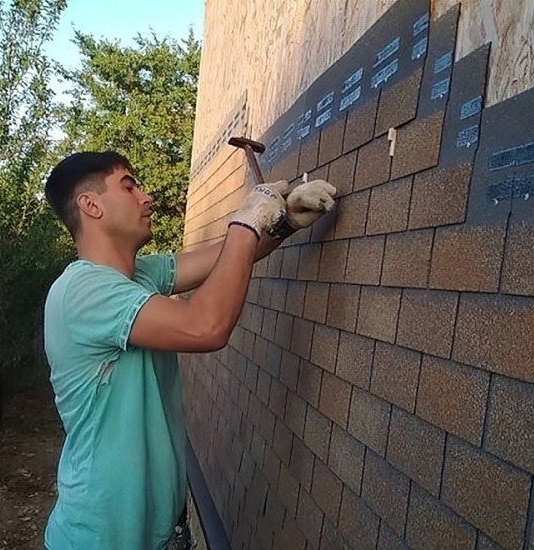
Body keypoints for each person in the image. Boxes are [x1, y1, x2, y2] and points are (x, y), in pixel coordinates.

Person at [41, 151, 336, 549]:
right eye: (129, 186)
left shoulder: (138, 275)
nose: (145, 197)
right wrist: (247, 218)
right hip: (102, 538)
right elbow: (206, 328)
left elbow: (229, 254)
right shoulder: (83, 292)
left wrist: (280, 222)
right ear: (91, 205)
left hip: (155, 532)